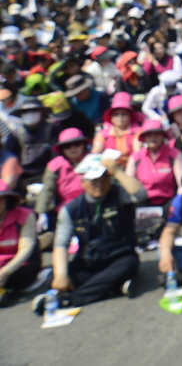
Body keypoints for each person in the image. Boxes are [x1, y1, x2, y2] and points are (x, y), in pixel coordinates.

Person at [38, 153, 146, 313]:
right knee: (52, 277)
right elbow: (61, 244)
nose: (99, 185)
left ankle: (70, 299)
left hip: (119, 257)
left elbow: (141, 194)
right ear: (82, 183)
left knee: (128, 265)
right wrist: (61, 275)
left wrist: (117, 171)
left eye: (103, 179)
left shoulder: (119, 195)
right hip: (89, 262)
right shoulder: (71, 209)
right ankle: (113, 289)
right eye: (94, 181)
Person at [35, 128, 91, 218]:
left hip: (93, 205)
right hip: (66, 210)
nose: (73, 149)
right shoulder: (55, 165)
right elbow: (48, 189)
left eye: (77, 144)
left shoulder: (94, 160)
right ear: (62, 149)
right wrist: (42, 213)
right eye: (67, 146)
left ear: (84, 144)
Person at [0, 179, 42, 295]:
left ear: (7, 199)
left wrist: (5, 271)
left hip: (21, 265)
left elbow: (26, 249)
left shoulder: (26, 215)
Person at [93, 92, 141, 157]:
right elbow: (95, 154)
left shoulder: (137, 132)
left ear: (130, 115)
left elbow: (138, 155)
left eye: (124, 114)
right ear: (111, 117)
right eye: (116, 114)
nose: (120, 117)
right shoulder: (103, 135)